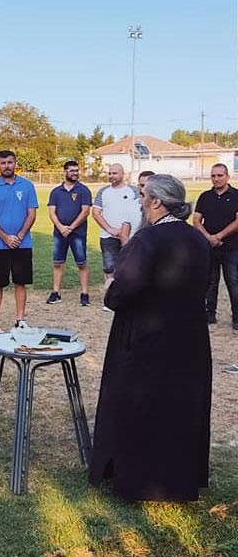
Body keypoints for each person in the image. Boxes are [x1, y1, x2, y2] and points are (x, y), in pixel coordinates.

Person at [89, 174, 211, 502]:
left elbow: (123, 290)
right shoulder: (197, 239)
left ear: (156, 201)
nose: (140, 201)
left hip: (147, 337)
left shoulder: (147, 240)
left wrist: (110, 290)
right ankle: (177, 480)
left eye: (143, 195)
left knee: (142, 404)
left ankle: (140, 481)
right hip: (189, 338)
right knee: (178, 408)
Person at [0, 150, 38, 334]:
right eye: (3, 163)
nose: (7, 166)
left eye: (10, 162)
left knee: (20, 282)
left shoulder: (27, 186)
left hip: (23, 244)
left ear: (15, 163)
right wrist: (5, 237)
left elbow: (32, 214)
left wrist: (19, 236)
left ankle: (20, 320)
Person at [194, 163, 238, 328]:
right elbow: (196, 220)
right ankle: (209, 315)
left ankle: (237, 317)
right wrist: (209, 237)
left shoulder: (236, 195)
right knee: (210, 282)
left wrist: (219, 236)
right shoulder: (205, 197)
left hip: (232, 247)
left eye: (220, 175)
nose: (216, 179)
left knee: (233, 282)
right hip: (209, 247)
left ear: (227, 176)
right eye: (213, 176)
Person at [92, 164, 140, 309]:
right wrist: (110, 229)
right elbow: (96, 213)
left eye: (115, 173)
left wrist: (125, 231)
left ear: (122, 174)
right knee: (109, 268)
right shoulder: (103, 192)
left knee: (130, 268)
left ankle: (129, 298)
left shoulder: (133, 191)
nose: (111, 176)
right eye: (110, 173)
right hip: (108, 236)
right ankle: (110, 300)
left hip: (130, 236)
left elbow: (140, 211)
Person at [46, 160, 93, 307]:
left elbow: (85, 211)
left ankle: (84, 294)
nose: (75, 173)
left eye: (76, 170)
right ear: (65, 171)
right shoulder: (56, 192)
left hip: (78, 234)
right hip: (59, 234)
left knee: (81, 263)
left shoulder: (83, 190)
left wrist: (71, 228)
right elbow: (52, 212)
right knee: (58, 263)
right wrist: (61, 227)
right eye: (72, 170)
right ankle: (56, 293)